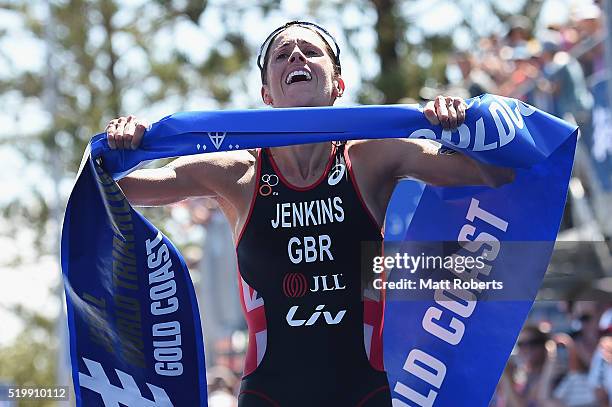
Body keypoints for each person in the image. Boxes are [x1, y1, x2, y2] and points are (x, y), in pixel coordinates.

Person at [105, 20, 514, 406]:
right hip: (270, 394)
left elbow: (497, 174)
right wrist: (129, 149)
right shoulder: (238, 173)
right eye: (282, 55)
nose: (297, 57)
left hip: (363, 392)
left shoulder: (372, 158)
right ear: (267, 94)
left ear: (338, 84)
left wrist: (462, 130)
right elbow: (115, 189)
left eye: (310, 52)